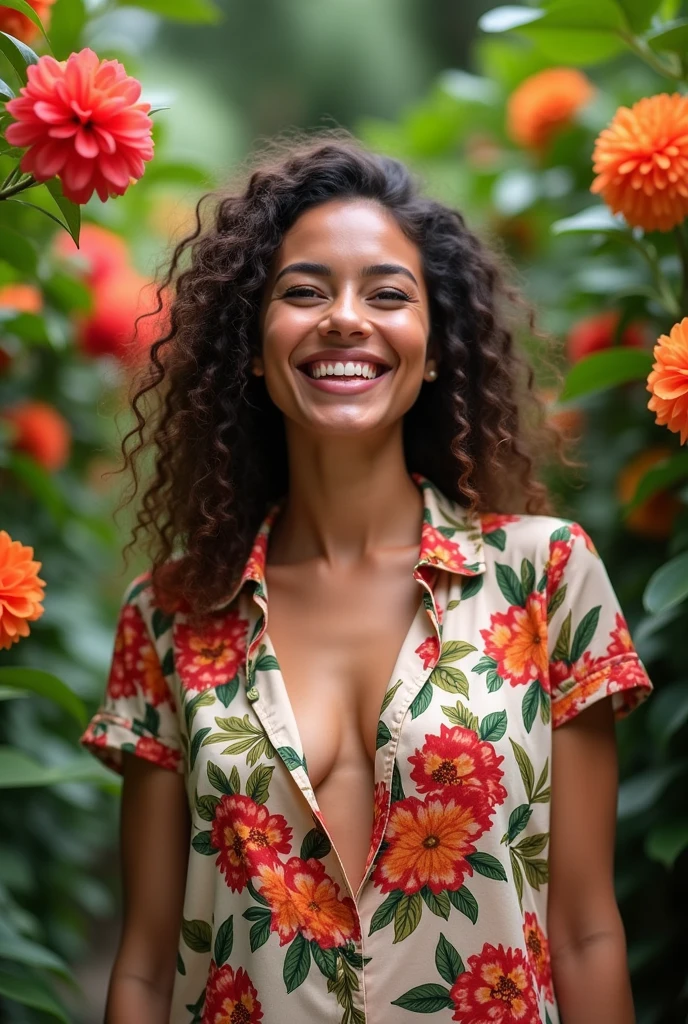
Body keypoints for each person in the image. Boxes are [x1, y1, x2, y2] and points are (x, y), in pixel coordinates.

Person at [80, 131, 653, 1024]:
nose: (345, 318)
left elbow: (583, 931)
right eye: (303, 292)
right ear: (252, 344)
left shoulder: (546, 578)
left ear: (434, 348)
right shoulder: (170, 617)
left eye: (388, 294)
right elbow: (147, 965)